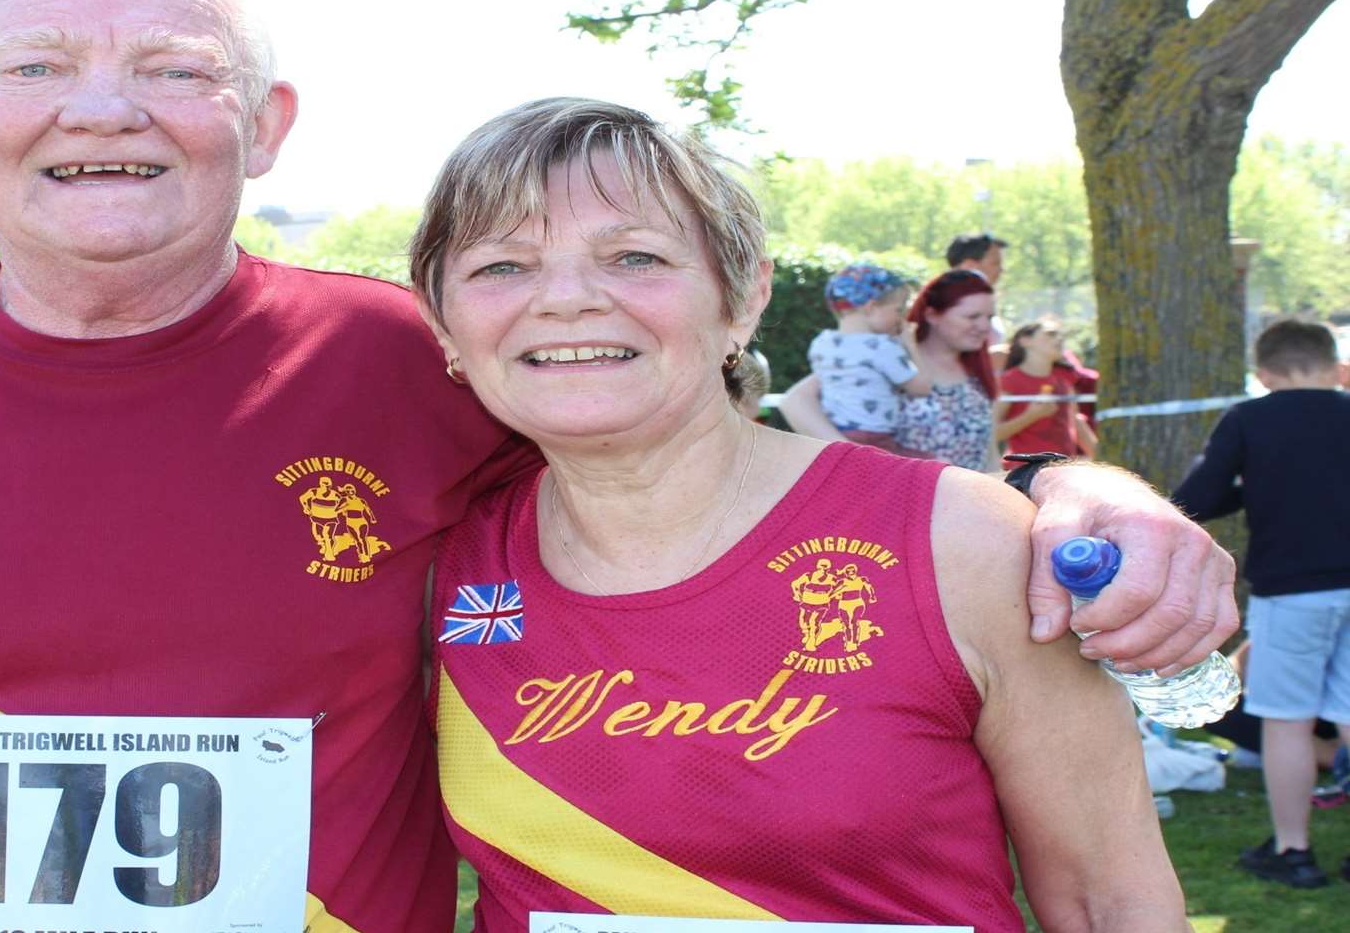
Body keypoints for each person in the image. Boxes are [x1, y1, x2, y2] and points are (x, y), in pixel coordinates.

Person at [0, 0, 1238, 933]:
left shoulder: (397, 368)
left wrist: (1083, 492)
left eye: (173, 71)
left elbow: (694, 470)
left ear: (263, 127)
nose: (101, 110)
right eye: (37, 66)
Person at [414, 98, 1182, 929]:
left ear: (741, 299)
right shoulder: (432, 566)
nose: (565, 300)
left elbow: (1110, 898)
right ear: (442, 321)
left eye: (634, 256)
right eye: (501, 266)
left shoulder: (963, 544)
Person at [1173, 318, 1350, 889]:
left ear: (1264, 374)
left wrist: (1257, 485)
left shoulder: (1251, 416)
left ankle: (1293, 848)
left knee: (1287, 720)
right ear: (1334, 367)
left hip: (1292, 589)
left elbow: (1194, 499)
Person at [782, 270, 1002, 471]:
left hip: (968, 500)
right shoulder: (882, 355)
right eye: (972, 316)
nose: (984, 327)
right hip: (902, 493)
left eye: (989, 318)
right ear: (932, 315)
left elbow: (989, 450)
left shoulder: (976, 371)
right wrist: (852, 454)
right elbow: (793, 402)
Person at [806, 263, 931, 454]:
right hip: (875, 437)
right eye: (898, 310)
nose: (901, 319)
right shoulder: (882, 347)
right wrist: (911, 345)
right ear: (871, 307)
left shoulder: (821, 344)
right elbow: (922, 388)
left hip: (834, 432)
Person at [996, 318, 1097, 458]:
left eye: (1061, 335)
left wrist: (1105, 461)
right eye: (1050, 334)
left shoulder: (1065, 377)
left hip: (1065, 468)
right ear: (1025, 340)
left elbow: (1076, 421)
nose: (1059, 339)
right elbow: (992, 434)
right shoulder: (1008, 380)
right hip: (1024, 471)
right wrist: (1031, 416)